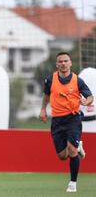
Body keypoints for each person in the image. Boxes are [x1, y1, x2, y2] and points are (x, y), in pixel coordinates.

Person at [39, 51, 93, 193]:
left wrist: (85, 101)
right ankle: (79, 146)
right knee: (62, 156)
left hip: (73, 118)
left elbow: (90, 96)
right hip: (57, 120)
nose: (63, 63)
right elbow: (46, 94)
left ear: (70, 63)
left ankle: (73, 183)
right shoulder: (50, 79)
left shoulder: (77, 80)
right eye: (60, 61)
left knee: (72, 150)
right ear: (57, 64)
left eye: (65, 61)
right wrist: (43, 109)